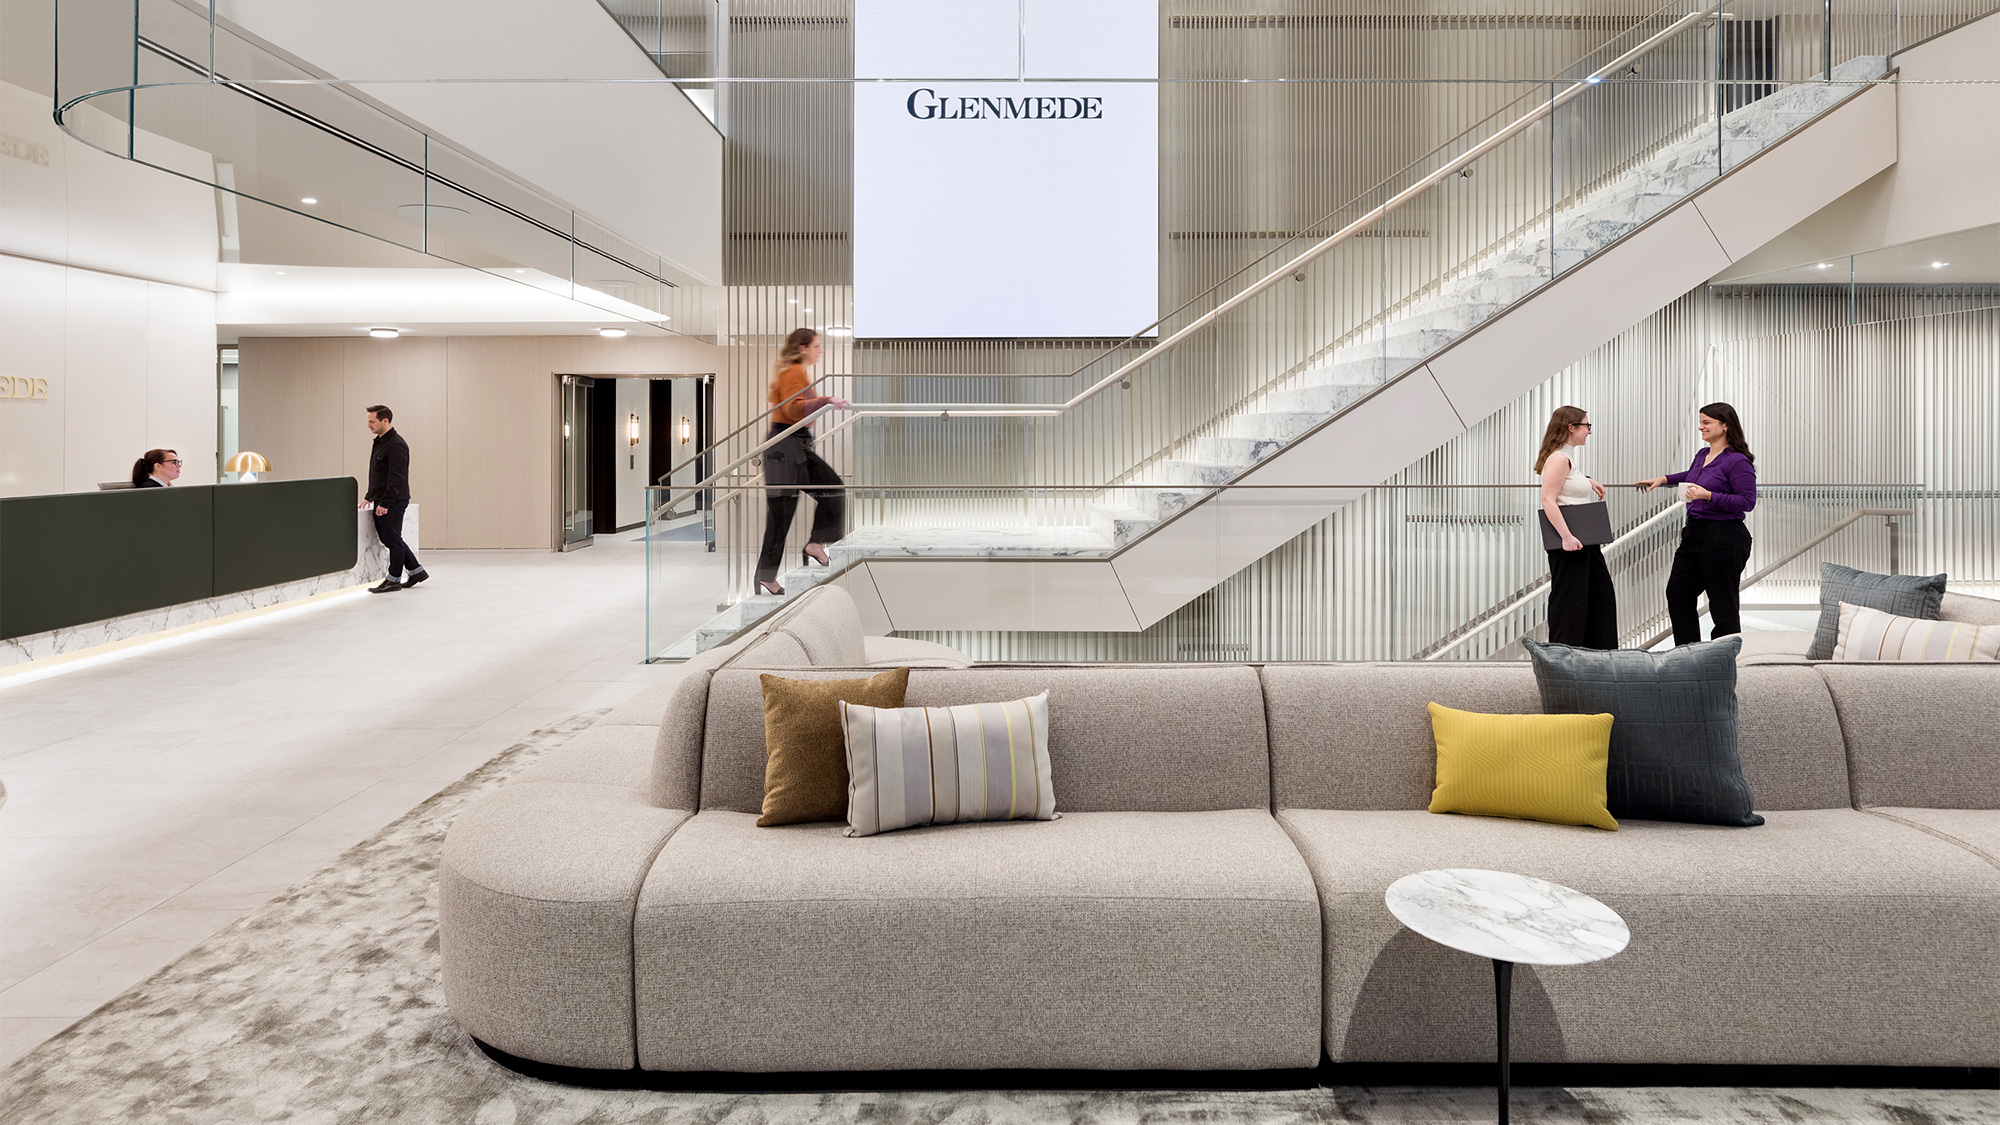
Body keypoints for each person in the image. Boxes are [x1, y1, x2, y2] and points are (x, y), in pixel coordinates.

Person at [1640, 402, 1757, 644]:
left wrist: (1708, 496)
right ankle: (1688, 655)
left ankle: (1724, 660)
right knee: (1678, 593)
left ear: (1725, 425)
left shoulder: (1737, 461)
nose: (1700, 427)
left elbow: (1747, 501)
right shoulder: (1703, 455)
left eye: (1706, 423)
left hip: (1724, 536)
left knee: (1722, 603)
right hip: (1694, 533)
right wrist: (1663, 479)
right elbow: (1691, 476)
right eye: (1700, 422)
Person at [754, 328, 850, 595]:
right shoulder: (794, 372)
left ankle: (814, 544)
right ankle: (767, 575)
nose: (820, 350)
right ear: (802, 348)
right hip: (786, 448)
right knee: (782, 514)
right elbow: (792, 409)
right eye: (816, 346)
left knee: (831, 490)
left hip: (793, 446)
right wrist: (827, 400)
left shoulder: (798, 373)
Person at [1535, 406, 1616, 648]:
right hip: (1571, 542)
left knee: (1598, 597)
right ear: (1571, 428)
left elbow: (1568, 486)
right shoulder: (1559, 458)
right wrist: (1566, 537)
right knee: (1570, 602)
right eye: (1586, 426)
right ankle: (1564, 657)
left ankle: (1597, 655)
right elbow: (1548, 499)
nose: (1589, 432)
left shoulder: (1567, 458)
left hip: (1585, 541)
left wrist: (1587, 481)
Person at [360, 405, 429, 593]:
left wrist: (385, 503)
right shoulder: (381, 442)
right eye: (368, 421)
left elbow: (396, 478)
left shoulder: (397, 444)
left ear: (385, 421)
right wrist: (370, 496)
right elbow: (379, 474)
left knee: (392, 540)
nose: (368, 425)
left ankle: (393, 579)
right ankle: (416, 571)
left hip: (394, 500)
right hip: (382, 499)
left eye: (372, 421)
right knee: (390, 538)